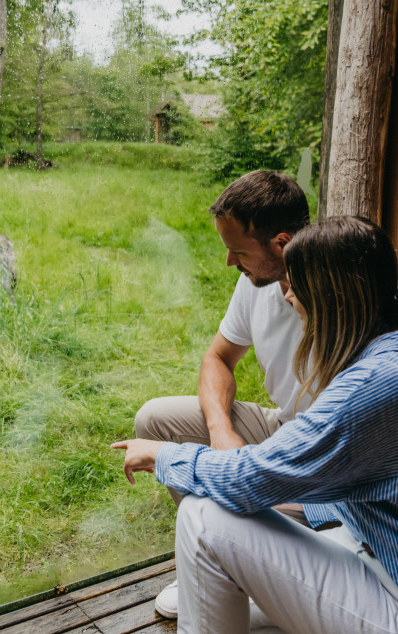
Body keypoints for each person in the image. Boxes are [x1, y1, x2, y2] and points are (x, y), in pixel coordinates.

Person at [113, 216, 398, 634]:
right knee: (222, 583)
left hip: (387, 585)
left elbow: (249, 480)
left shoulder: (373, 386)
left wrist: (164, 455)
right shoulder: (382, 355)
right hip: (371, 542)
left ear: (331, 295)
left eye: (296, 284)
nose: (288, 297)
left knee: (203, 518)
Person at [135, 170, 311, 617]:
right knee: (155, 420)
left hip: (321, 467)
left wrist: (230, 468)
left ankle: (241, 565)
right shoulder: (256, 281)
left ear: (282, 243)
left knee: (213, 488)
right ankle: (225, 563)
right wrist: (219, 431)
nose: (229, 263)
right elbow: (218, 359)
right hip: (284, 426)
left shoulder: (334, 294)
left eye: (237, 250)